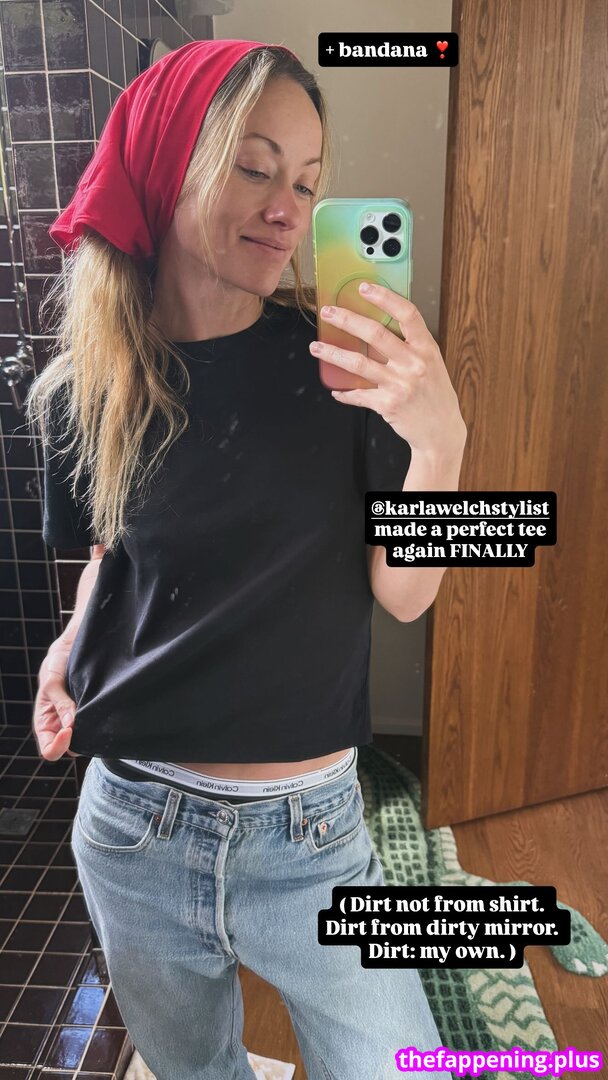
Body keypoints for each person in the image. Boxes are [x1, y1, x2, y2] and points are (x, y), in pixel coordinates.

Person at [28, 39, 464, 1080]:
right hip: (132, 829)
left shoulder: (339, 367)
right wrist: (68, 646)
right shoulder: (85, 388)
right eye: (255, 167)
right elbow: (112, 556)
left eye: (306, 183)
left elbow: (406, 596)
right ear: (169, 166)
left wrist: (442, 445)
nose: (286, 210)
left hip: (312, 841)